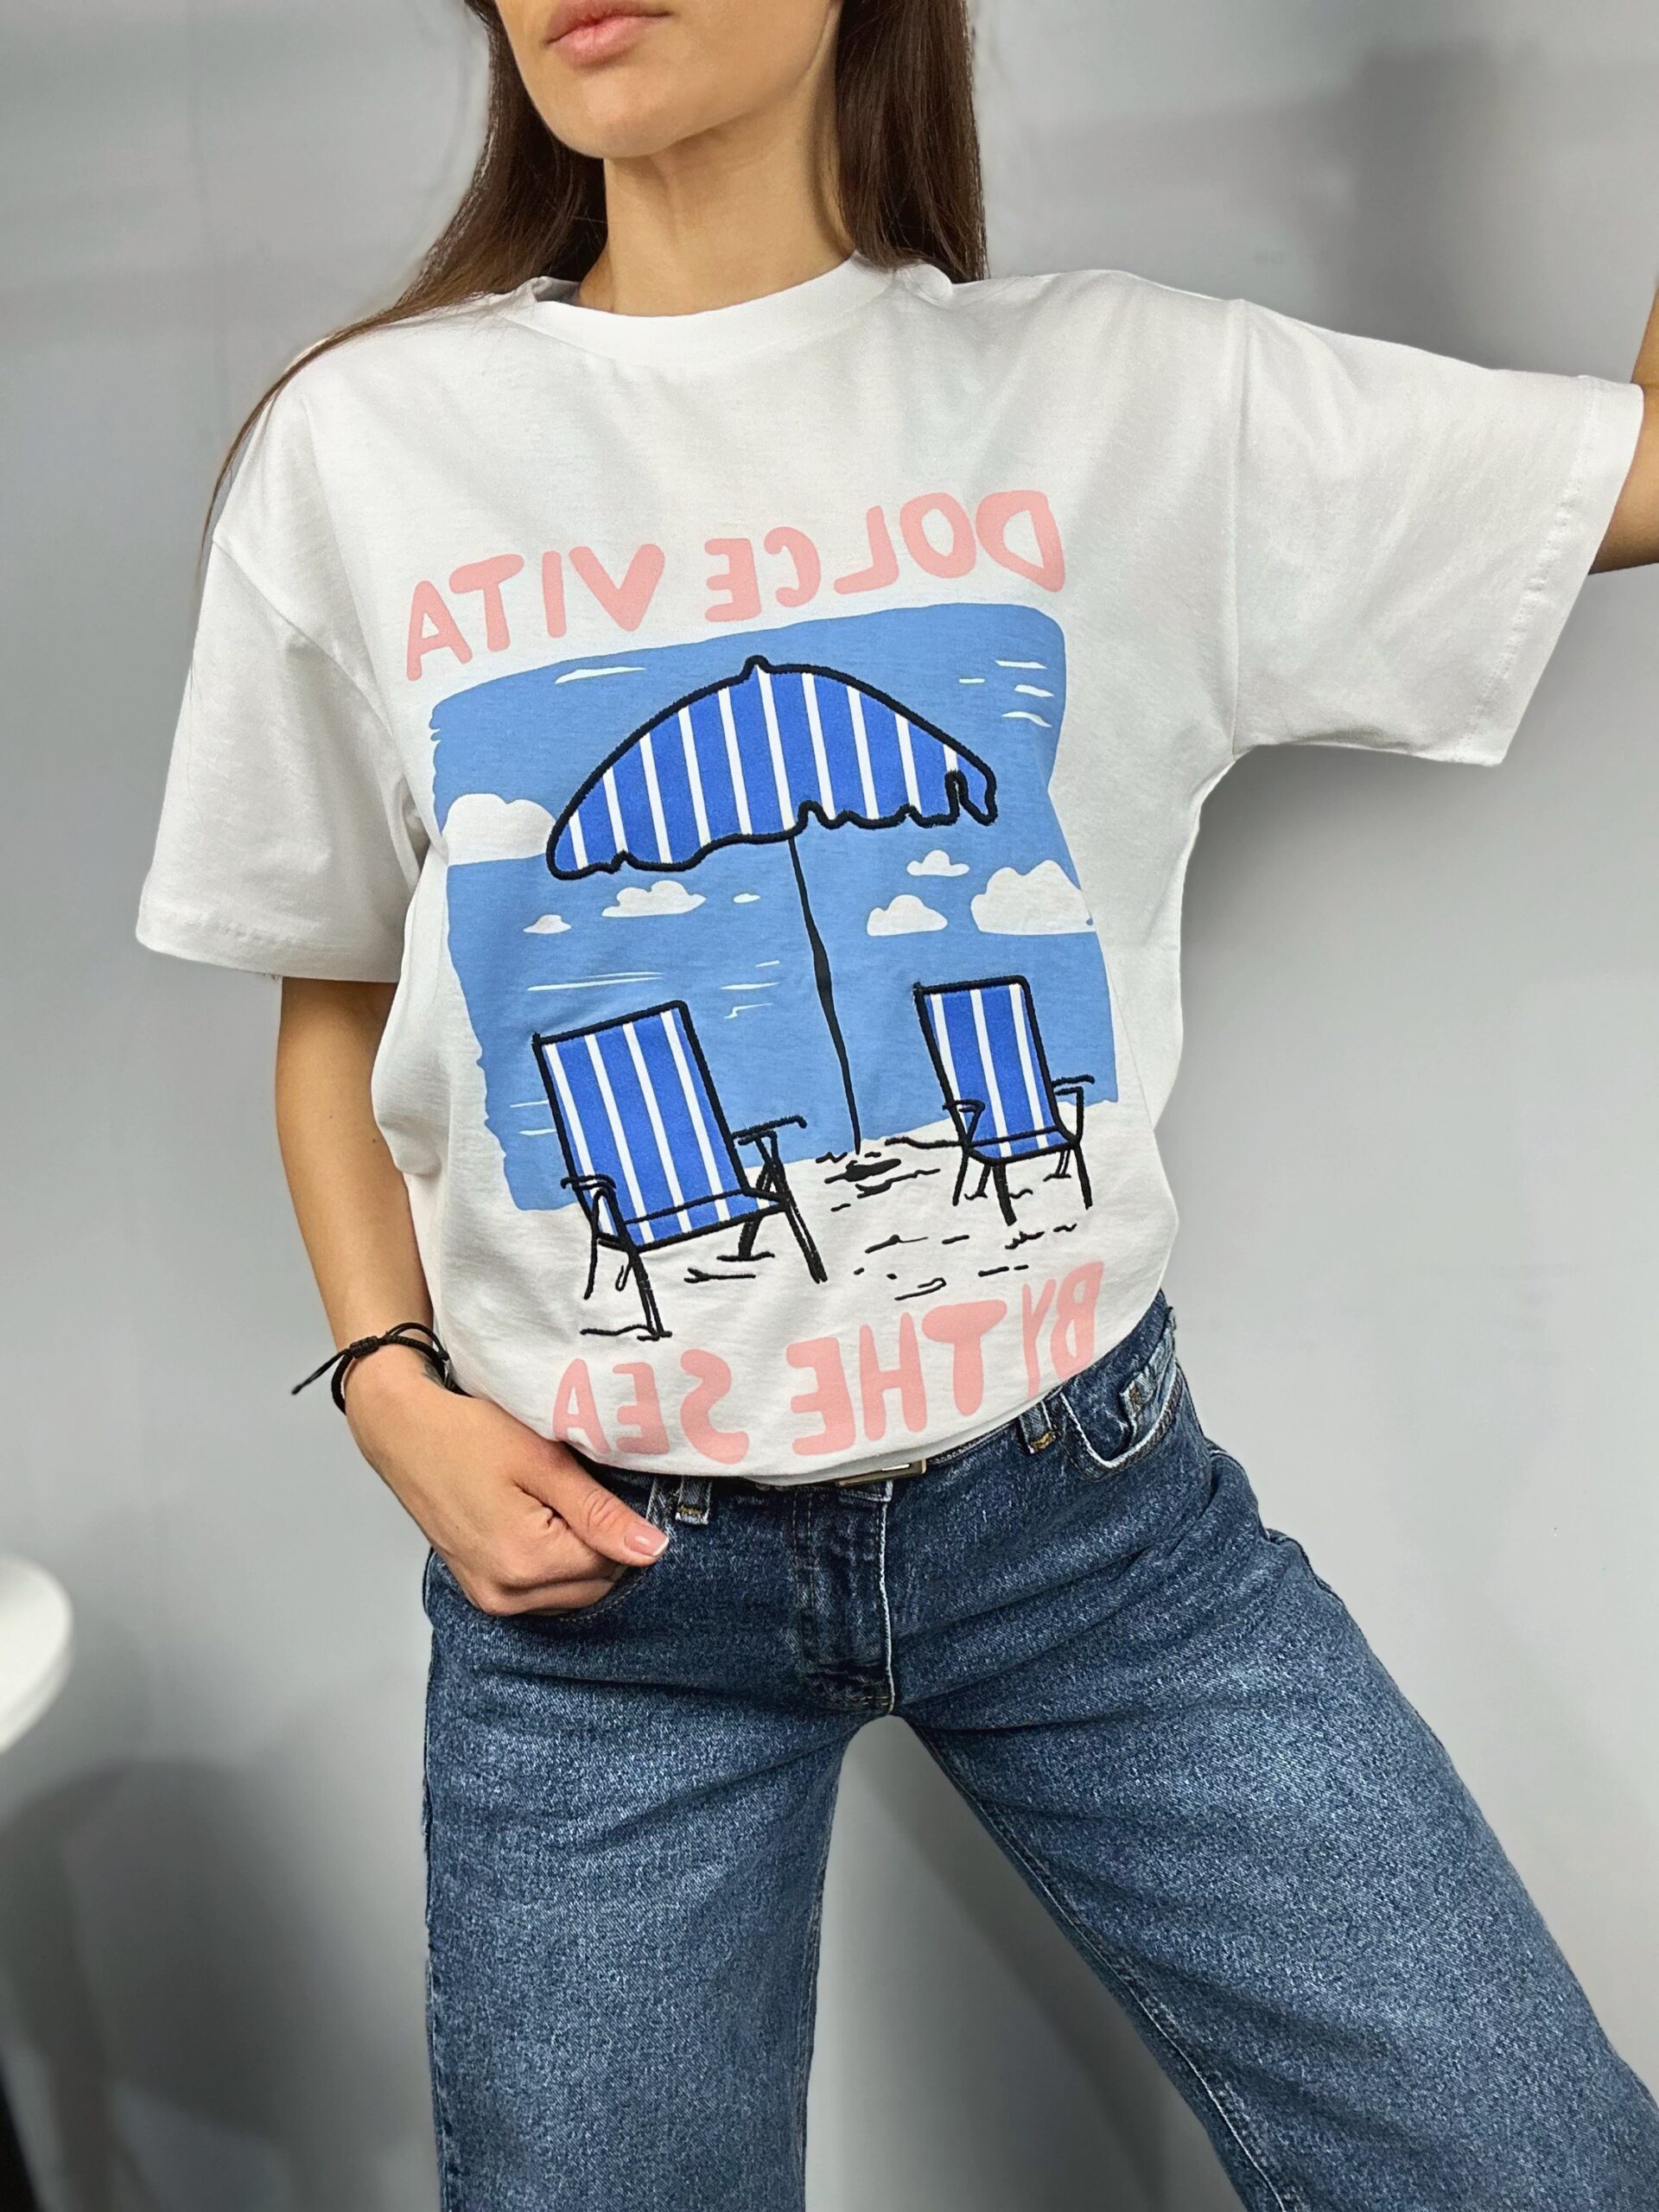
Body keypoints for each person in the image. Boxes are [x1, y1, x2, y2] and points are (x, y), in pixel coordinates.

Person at [135, 1, 1659, 2205]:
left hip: (1085, 1528)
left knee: (1536, 2165)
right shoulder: (365, 448)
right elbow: (342, 989)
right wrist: (388, 1382)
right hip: (606, 1607)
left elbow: (1638, 472)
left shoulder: (1122, 397)